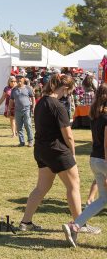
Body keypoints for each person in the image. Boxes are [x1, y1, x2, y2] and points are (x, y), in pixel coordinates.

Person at [19, 74, 99, 234]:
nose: (70, 94)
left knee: (41, 188)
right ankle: (80, 224)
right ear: (65, 88)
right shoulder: (57, 106)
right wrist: (73, 153)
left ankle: (25, 222)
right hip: (56, 151)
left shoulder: (41, 102)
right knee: (73, 186)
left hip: (41, 150)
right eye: (70, 91)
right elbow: (68, 135)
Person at [62, 83, 107, 247]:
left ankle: (75, 225)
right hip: (103, 160)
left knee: (102, 200)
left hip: (94, 160)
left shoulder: (95, 116)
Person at [8, 75, 35, 147]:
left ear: (23, 79)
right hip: (17, 110)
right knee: (19, 127)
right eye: (17, 78)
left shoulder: (28, 88)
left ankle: (30, 141)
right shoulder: (14, 89)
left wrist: (33, 107)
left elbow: (32, 97)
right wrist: (9, 109)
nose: (19, 79)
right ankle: (21, 142)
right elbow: (11, 100)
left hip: (26, 109)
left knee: (28, 125)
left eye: (20, 78)